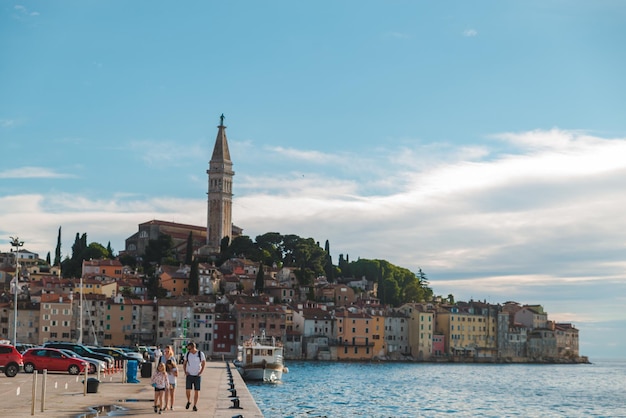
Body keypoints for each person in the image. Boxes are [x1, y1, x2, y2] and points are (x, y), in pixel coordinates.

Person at [183, 341, 206, 412]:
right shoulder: (187, 354)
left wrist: (201, 371)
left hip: (197, 375)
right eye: (188, 349)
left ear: (194, 348)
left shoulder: (200, 354)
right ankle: (189, 400)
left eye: (190, 349)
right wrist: (185, 371)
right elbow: (184, 363)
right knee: (188, 390)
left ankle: (195, 405)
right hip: (189, 374)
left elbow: (203, 363)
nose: (188, 350)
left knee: (197, 391)